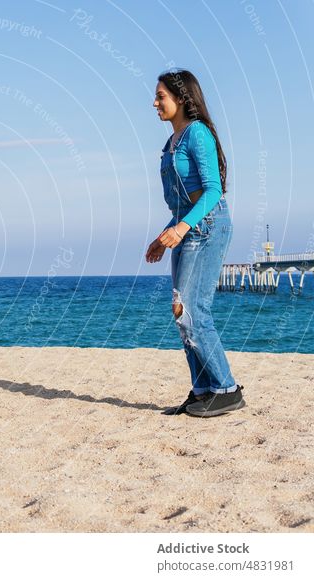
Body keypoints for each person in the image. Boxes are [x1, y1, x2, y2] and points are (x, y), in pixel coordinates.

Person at [146, 69, 245, 417]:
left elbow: (213, 192)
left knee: (192, 310)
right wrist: (165, 234)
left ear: (181, 98)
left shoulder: (197, 134)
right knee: (180, 312)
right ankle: (203, 390)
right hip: (187, 227)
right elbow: (182, 202)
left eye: (161, 96)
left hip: (207, 228)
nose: (154, 102)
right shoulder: (170, 144)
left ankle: (226, 388)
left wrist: (181, 228)